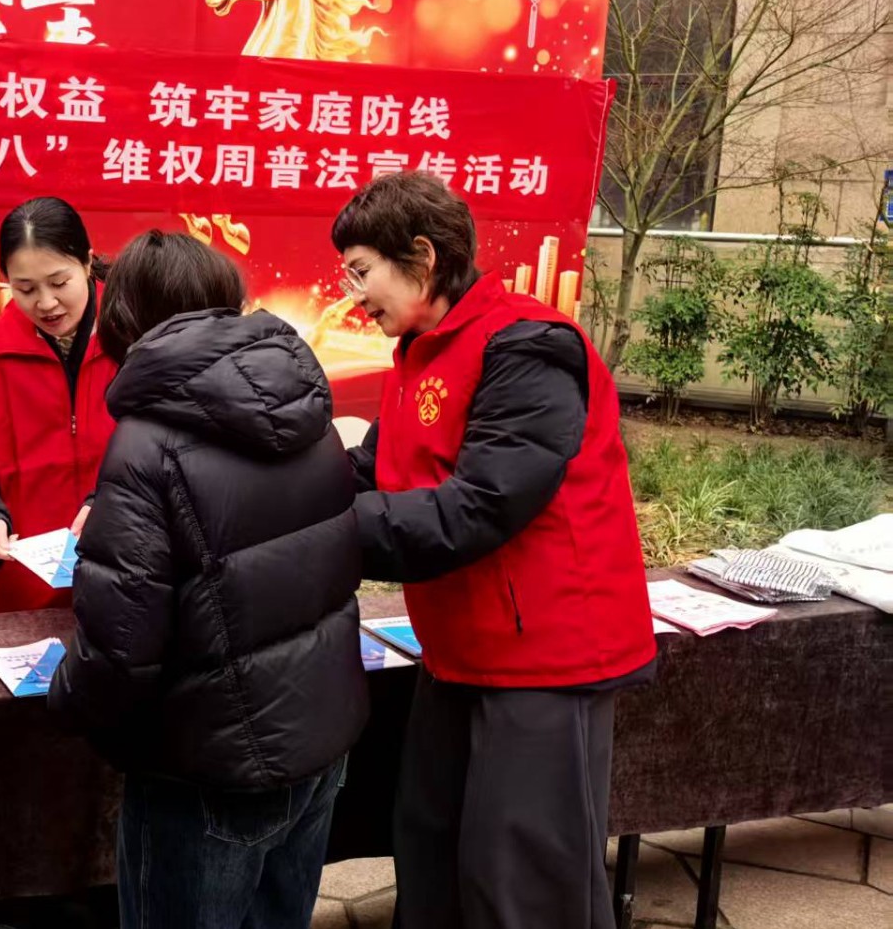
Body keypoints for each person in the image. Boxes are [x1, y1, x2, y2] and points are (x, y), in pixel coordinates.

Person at [332, 172, 657, 929]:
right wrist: (258, 495)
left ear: (421, 256)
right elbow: (372, 472)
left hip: (546, 656)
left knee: (522, 880)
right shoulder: (418, 352)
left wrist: (322, 539)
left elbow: (480, 506)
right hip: (460, 647)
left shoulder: (527, 347)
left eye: (361, 271)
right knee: (432, 850)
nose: (355, 295)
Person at [49, 231, 367, 929]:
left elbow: (120, 649)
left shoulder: (147, 440)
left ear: (125, 319)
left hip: (208, 771)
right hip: (318, 743)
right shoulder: (306, 406)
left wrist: (65, 697)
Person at [0, 197, 118, 613]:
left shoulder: (133, 335)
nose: (46, 303)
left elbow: (169, 450)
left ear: (87, 262)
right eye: (26, 289)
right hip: (22, 592)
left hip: (127, 580)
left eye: (59, 282)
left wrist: (113, 500)